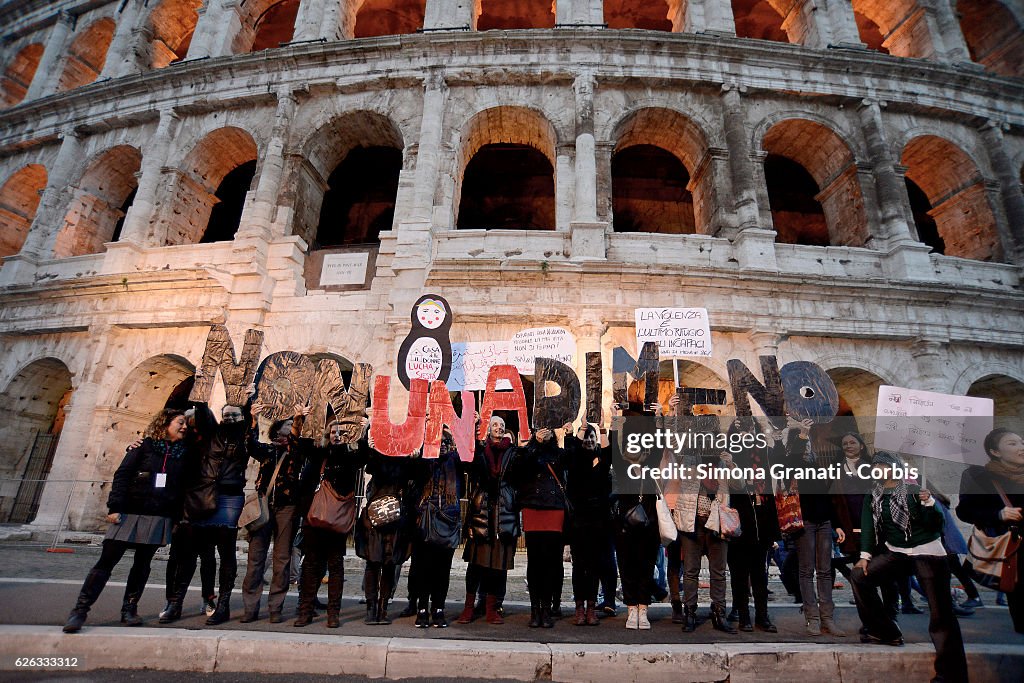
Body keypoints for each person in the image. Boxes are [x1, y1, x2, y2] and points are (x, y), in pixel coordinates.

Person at [63, 409, 190, 633]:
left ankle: (129, 609)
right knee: (106, 563)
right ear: (165, 423)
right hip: (129, 511)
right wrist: (114, 507)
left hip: (158, 515)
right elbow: (122, 476)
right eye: (180, 422)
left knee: (142, 565)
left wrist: (176, 515)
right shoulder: (143, 446)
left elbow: (182, 487)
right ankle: (80, 610)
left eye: (185, 423)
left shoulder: (184, 452)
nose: (184, 427)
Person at [852, 451, 968, 683]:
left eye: (883, 466)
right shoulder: (873, 495)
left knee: (940, 615)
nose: (878, 470)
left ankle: (951, 674)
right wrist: (865, 556)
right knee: (859, 576)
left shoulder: (915, 491)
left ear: (894, 468)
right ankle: (885, 631)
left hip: (928, 552)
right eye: (875, 467)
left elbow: (936, 526)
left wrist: (929, 504)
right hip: (897, 553)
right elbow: (867, 528)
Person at [161, 399, 255, 625]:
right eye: (227, 415)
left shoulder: (244, 435)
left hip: (230, 496)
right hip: (204, 495)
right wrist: (201, 397)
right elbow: (204, 415)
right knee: (190, 551)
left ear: (243, 418)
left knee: (226, 551)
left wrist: (249, 400)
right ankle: (176, 602)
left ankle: (222, 604)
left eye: (235, 415)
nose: (230, 418)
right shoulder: (213, 432)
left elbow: (248, 421)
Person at [293, 417, 368, 628]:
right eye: (333, 432)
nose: (336, 435)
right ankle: (305, 609)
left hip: (336, 520)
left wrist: (364, 430)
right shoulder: (319, 454)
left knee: (335, 566)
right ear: (327, 434)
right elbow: (303, 445)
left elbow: (364, 455)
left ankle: (333, 613)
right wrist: (301, 420)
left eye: (341, 432)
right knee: (311, 564)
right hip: (315, 518)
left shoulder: (350, 457)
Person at [240, 405, 309, 624]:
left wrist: (298, 419)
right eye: (287, 424)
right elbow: (249, 444)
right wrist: (252, 419)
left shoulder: (295, 451)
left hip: (287, 506)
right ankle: (250, 606)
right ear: (277, 429)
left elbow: (299, 440)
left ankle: (275, 607)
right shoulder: (267, 450)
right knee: (255, 557)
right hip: (263, 506)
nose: (290, 427)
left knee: (282, 558)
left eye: (292, 425)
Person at [957, 428, 1024, 633]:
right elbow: (964, 511)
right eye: (1012, 444)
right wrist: (998, 515)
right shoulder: (981, 477)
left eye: (1021, 442)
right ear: (995, 452)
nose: (1021, 447)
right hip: (1014, 550)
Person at [786, 418, 847, 637]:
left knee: (825, 571)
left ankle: (827, 618)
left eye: (809, 443)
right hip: (805, 522)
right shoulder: (790, 464)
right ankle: (812, 618)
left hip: (824, 522)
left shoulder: (815, 465)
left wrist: (837, 525)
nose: (808, 447)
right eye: (804, 443)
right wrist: (802, 433)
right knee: (806, 570)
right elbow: (792, 462)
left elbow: (827, 498)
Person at [674, 418, 734, 635]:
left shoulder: (724, 456)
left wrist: (730, 465)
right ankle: (689, 612)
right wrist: (672, 413)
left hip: (717, 520)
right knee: (691, 571)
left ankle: (719, 613)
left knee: (719, 572)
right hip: (693, 519)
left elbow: (738, 485)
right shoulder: (690, 455)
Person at [355, 423, 419, 625]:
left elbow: (414, 475)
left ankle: (382, 606)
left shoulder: (405, 460)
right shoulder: (378, 457)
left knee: (389, 563)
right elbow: (367, 461)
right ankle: (372, 606)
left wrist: (415, 457)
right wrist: (367, 439)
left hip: (395, 518)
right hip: (377, 517)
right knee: (374, 563)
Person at [458, 416, 520, 625]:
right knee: (475, 566)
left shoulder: (512, 452)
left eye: (502, 425)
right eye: (495, 425)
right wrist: (474, 429)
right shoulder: (481, 450)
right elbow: (472, 463)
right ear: (488, 429)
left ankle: (492, 608)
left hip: (503, 514)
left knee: (497, 566)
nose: (499, 428)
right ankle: (468, 607)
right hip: (482, 514)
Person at [405, 428, 464, 628]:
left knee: (442, 569)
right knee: (423, 568)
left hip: (448, 518)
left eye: (445, 443)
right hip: (425, 518)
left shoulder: (455, 459)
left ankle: (438, 608)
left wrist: (459, 437)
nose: (441, 447)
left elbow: (472, 462)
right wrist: (418, 456)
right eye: (438, 443)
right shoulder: (424, 460)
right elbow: (414, 478)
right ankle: (422, 608)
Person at [726, 417, 780, 632]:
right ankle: (744, 616)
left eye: (749, 429)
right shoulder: (732, 451)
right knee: (739, 573)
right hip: (740, 518)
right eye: (741, 430)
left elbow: (779, 457)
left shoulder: (763, 452)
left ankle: (762, 616)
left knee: (760, 573)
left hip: (762, 519)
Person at [614, 403, 662, 631]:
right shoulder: (622, 466)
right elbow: (614, 446)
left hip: (649, 525)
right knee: (627, 568)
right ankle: (631, 608)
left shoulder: (650, 465)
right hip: (625, 527)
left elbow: (659, 446)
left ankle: (644, 609)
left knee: (646, 566)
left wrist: (659, 417)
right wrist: (615, 419)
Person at [516, 426, 568, 628]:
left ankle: (547, 608)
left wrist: (567, 436)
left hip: (554, 509)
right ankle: (534, 609)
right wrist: (535, 443)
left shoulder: (557, 451)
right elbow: (521, 468)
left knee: (552, 563)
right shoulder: (529, 450)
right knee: (534, 562)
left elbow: (568, 461)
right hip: (533, 508)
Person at [564, 421, 613, 626]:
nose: (589, 440)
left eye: (593, 437)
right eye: (587, 437)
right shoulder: (575, 461)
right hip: (578, 522)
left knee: (594, 566)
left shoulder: (601, 461)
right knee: (579, 567)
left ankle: (591, 607)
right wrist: (582, 428)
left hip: (598, 523)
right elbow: (571, 450)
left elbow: (610, 454)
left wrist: (601, 429)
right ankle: (579, 607)